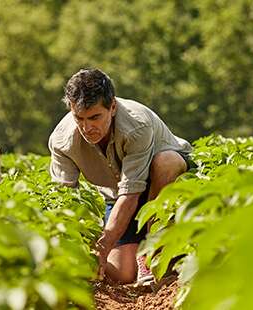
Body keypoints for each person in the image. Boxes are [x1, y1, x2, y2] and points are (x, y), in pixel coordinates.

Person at [48, 68, 193, 284]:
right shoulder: (62, 141)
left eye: (95, 117)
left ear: (112, 106)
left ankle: (153, 252)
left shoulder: (136, 126)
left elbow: (132, 194)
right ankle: (138, 256)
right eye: (79, 118)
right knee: (122, 274)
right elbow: (64, 197)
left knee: (165, 163)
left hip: (163, 183)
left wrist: (103, 246)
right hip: (118, 195)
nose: (87, 127)